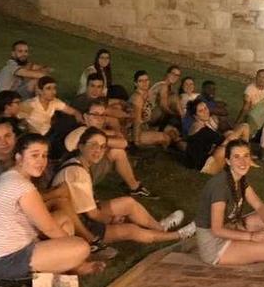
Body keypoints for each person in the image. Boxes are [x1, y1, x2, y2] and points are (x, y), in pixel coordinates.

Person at [0, 134, 104, 281]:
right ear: (19, 157)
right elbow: (50, 229)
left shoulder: (11, 176)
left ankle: (69, 267)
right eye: (34, 155)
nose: (41, 161)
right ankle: (53, 278)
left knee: (63, 217)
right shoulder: (21, 186)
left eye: (44, 156)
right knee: (81, 247)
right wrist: (73, 247)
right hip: (5, 259)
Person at [51, 127, 196, 245]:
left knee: (129, 203)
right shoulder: (78, 173)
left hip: (82, 211)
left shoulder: (78, 162)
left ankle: (160, 228)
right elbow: (93, 215)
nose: (98, 151)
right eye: (93, 145)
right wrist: (112, 220)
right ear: (81, 146)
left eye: (102, 147)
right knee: (131, 230)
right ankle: (178, 235)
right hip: (79, 225)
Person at [194, 140, 264, 265]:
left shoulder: (239, 179)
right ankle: (246, 247)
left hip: (232, 226)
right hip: (214, 243)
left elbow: (259, 206)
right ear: (228, 161)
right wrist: (251, 236)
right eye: (237, 157)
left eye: (246, 156)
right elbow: (216, 230)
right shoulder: (220, 186)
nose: (243, 162)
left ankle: (248, 244)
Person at [64, 99, 152, 197]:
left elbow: (116, 137)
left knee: (114, 151)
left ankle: (134, 186)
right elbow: (123, 143)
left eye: (102, 115)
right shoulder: (85, 133)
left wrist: (114, 133)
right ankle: (135, 187)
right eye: (95, 115)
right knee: (117, 152)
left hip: (83, 171)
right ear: (86, 117)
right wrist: (114, 134)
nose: (99, 119)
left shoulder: (90, 130)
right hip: (77, 176)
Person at [20, 77, 84, 157]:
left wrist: (80, 119)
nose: (53, 92)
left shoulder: (54, 102)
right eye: (48, 88)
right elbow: (20, 121)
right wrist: (31, 129)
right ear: (40, 91)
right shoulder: (30, 104)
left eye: (54, 88)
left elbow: (73, 111)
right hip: (33, 136)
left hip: (49, 134)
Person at [186, 99, 250, 174]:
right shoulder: (201, 128)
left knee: (230, 134)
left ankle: (245, 156)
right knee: (243, 128)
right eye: (201, 111)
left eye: (205, 108)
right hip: (203, 166)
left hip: (197, 162)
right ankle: (245, 156)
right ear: (195, 116)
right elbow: (224, 141)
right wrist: (236, 133)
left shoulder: (196, 125)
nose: (205, 112)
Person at [128, 70, 183, 149]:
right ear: (135, 83)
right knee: (165, 138)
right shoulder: (138, 98)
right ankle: (152, 153)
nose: (144, 83)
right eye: (141, 81)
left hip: (145, 126)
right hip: (133, 131)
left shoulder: (146, 95)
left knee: (173, 131)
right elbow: (137, 121)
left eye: (146, 80)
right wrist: (136, 142)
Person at [149, 65, 183, 130]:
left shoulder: (171, 89)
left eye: (177, 75)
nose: (175, 77)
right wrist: (175, 115)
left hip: (157, 116)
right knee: (174, 98)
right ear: (168, 74)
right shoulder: (163, 85)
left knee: (176, 98)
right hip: (149, 116)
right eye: (173, 74)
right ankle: (185, 121)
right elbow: (163, 106)